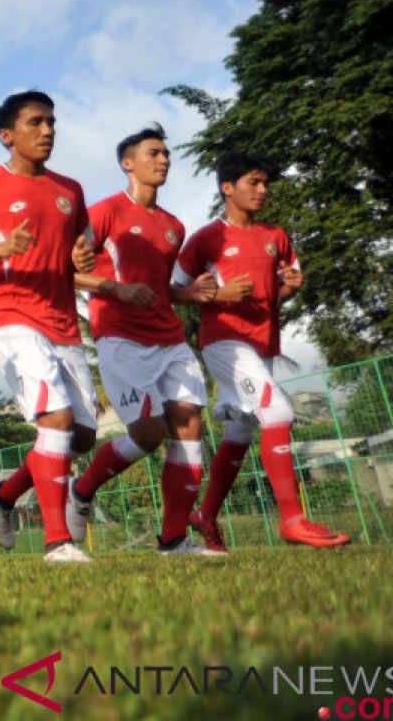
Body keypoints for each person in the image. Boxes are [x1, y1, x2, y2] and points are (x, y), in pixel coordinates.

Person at [0, 90, 99, 563]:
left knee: (83, 436)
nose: (48, 130)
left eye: (51, 122)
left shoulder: (70, 190)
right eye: (35, 122)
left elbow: (82, 252)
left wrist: (83, 259)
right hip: (9, 317)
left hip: (63, 323)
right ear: (7, 135)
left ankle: (5, 494)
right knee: (54, 416)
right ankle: (58, 542)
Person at [175, 151, 350, 551]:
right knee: (279, 411)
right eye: (253, 182)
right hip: (223, 342)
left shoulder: (277, 237)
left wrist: (289, 287)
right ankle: (292, 519)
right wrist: (218, 293)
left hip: (263, 343)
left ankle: (204, 515)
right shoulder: (206, 239)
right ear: (227, 188)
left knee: (240, 429)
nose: (262, 190)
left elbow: (282, 288)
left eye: (265, 183)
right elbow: (174, 291)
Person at [64, 125, 223, 556]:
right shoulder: (104, 212)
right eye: (154, 153)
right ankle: (82, 488)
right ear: (127, 162)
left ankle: (172, 540)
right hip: (120, 338)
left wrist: (187, 294)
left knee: (189, 430)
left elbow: (157, 285)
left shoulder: (174, 226)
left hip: (170, 339)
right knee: (150, 432)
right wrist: (113, 289)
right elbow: (64, 270)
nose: (164, 160)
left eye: (167, 154)